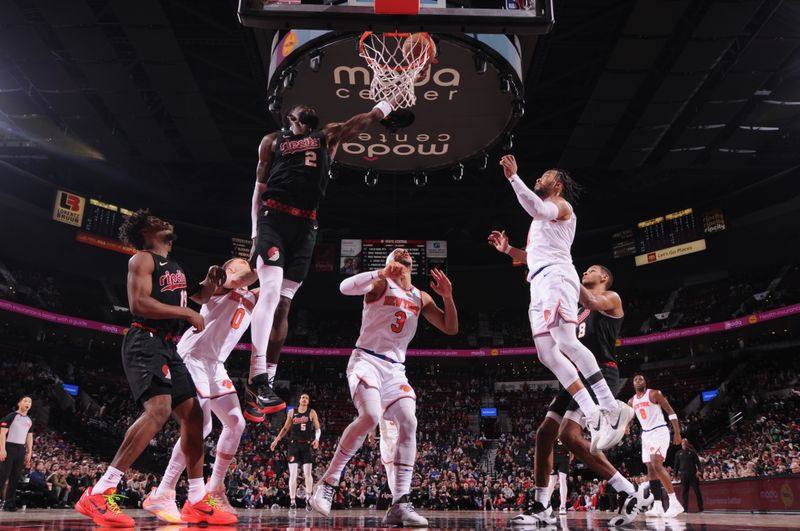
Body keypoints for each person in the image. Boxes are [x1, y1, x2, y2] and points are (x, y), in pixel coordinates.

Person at [75, 210, 236, 527]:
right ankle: (100, 490)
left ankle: (196, 499)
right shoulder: (143, 260)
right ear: (145, 232)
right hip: (144, 339)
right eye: (157, 222)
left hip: (167, 345)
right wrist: (185, 313)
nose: (165, 223)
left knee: (194, 416)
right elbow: (139, 304)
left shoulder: (175, 267)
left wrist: (211, 281)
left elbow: (200, 296)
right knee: (159, 410)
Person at [245, 99, 400, 423]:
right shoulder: (272, 141)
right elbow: (259, 187)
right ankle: (257, 377)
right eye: (302, 109)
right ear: (291, 117)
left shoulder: (327, 136)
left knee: (285, 305)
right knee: (270, 292)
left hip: (307, 225)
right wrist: (256, 233)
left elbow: (362, 121)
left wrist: (386, 105)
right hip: (274, 218)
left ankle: (265, 387)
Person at [490, 155, 632, 455]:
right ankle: (593, 415)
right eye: (536, 178)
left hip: (556, 277)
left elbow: (537, 207)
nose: (537, 181)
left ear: (556, 185)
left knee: (566, 341)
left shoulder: (562, 207)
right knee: (546, 354)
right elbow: (534, 257)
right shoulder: (543, 223)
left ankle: (610, 407)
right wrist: (508, 250)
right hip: (540, 281)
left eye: (542, 178)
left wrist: (515, 178)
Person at [309, 248, 458, 526]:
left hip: (395, 370)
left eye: (405, 258)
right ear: (390, 265)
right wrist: (380, 272)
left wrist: (447, 297)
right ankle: (328, 482)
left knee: (409, 422)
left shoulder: (420, 296)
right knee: (371, 416)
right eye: (395, 257)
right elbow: (344, 287)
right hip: (366, 359)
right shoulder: (379, 284)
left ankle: (400, 502)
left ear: (412, 266)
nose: (401, 256)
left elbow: (450, 328)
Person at [143, 257, 258, 522]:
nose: (247, 264)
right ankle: (164, 490)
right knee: (202, 426)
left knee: (235, 422)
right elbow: (245, 277)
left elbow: (278, 285)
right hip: (192, 357)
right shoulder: (222, 283)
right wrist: (267, 257)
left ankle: (214, 487)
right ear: (230, 268)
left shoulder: (252, 295)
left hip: (215, 365)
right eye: (241, 261)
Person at [629, 373, 684, 517]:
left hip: (659, 430)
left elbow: (671, 412)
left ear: (645, 382)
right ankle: (658, 506)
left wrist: (677, 432)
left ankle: (674, 503)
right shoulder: (631, 401)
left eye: (641, 378)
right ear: (633, 384)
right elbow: (629, 418)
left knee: (657, 464)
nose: (639, 380)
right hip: (646, 434)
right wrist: (625, 426)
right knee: (650, 469)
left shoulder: (654, 394)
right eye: (636, 379)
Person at [270, 393, 321, 510]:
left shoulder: (312, 412)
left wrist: (317, 439)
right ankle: (292, 501)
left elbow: (318, 428)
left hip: (307, 445)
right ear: (299, 400)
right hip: (293, 445)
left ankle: (308, 498)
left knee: (307, 473)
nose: (304, 399)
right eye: (303, 397)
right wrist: (276, 440)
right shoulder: (292, 412)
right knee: (293, 474)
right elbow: (285, 428)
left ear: (308, 401)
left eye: (307, 398)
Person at [0, 396, 33, 512]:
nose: (27, 403)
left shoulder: (29, 420)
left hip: (20, 449)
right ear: (19, 403)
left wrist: (29, 451)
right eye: (25, 401)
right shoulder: (11, 416)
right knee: (3, 475)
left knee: (15, 477)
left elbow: (29, 436)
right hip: (9, 446)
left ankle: (9, 503)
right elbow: (2, 433)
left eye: (29, 402)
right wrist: (2, 449)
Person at [674, 439, 703, 513]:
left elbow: (698, 463)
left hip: (692, 474)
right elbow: (676, 465)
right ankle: (685, 509)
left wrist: (699, 471)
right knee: (684, 492)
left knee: (697, 491)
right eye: (683, 443)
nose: (684, 444)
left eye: (685, 443)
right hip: (683, 475)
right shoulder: (678, 453)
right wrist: (675, 475)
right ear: (681, 444)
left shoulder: (692, 452)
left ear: (687, 444)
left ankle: (701, 508)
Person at [545, 439, 570, 515]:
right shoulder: (551, 430)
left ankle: (562, 506)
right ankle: (546, 503)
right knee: (552, 481)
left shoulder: (567, 429)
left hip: (564, 456)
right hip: (553, 456)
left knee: (562, 479)